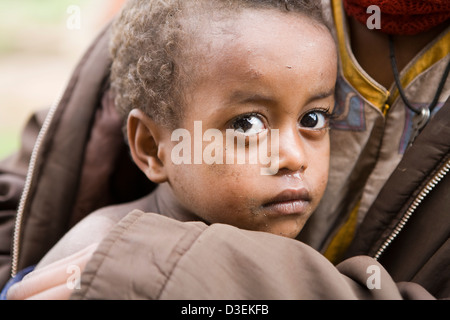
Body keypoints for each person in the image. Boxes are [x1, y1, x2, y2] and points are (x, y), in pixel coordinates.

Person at [0, 0, 447, 300]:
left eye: (313, 119)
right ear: (153, 147)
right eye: (247, 124)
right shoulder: (100, 256)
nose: (293, 157)